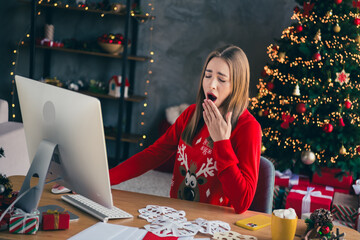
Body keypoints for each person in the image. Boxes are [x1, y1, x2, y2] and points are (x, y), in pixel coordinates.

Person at [109, 45, 262, 214]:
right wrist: (105, 179)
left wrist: (222, 143)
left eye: (222, 79)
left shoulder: (248, 128)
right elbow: (153, 154)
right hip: (176, 216)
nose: (211, 85)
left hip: (214, 225)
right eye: (208, 75)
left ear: (237, 85)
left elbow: (243, 202)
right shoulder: (191, 114)